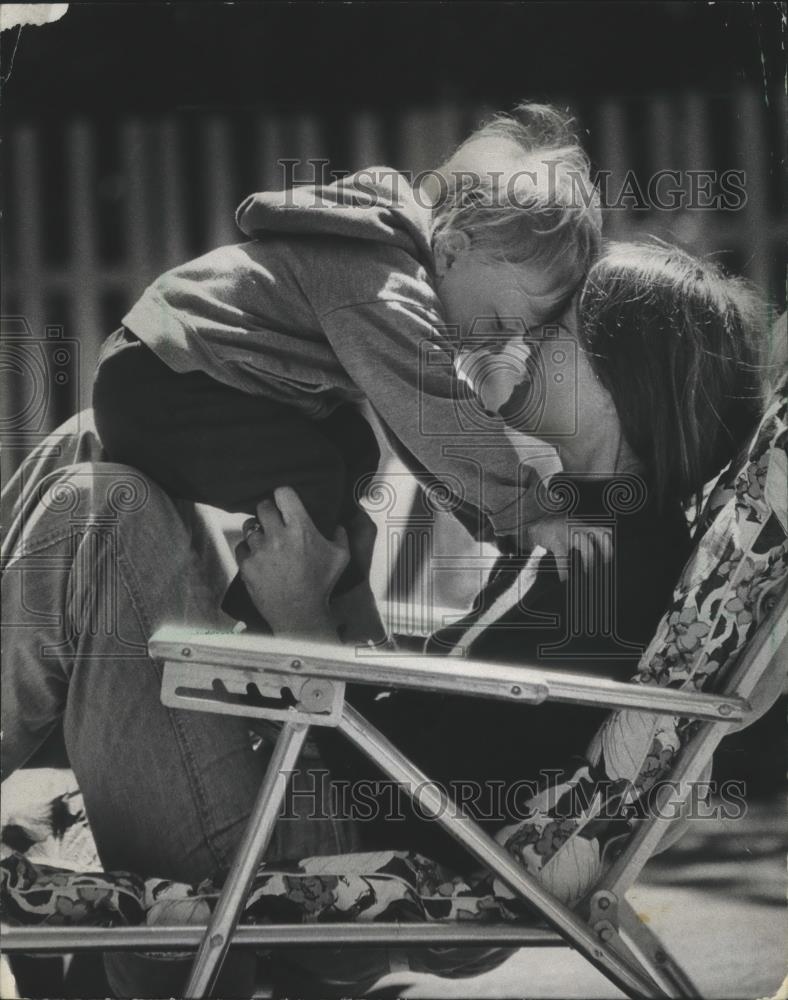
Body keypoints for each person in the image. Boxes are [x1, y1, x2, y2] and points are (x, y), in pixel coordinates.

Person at [234, 240, 767, 866]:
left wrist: (303, 626)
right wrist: (334, 606)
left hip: (331, 825)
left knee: (103, 492)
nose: (525, 339)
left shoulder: (600, 566)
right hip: (341, 795)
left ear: (626, 378)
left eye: (555, 328)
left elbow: (438, 785)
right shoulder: (605, 534)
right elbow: (461, 713)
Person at [91, 102, 602, 626]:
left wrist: (500, 524)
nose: (491, 345)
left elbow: (410, 423)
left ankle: (352, 637)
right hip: (162, 383)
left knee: (350, 448)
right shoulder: (385, 287)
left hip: (184, 378)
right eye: (495, 323)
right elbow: (432, 409)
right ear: (451, 252)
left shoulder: (398, 266)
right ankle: (271, 639)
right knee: (313, 475)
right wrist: (528, 512)